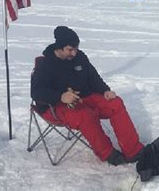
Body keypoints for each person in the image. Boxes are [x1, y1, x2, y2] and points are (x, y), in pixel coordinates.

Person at [31, 26, 144, 166]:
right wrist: (60, 96)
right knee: (86, 115)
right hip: (55, 106)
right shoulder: (45, 64)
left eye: (76, 48)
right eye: (70, 49)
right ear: (60, 47)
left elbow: (93, 78)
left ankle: (133, 150)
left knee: (116, 103)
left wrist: (105, 90)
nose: (74, 52)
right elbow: (36, 92)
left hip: (84, 97)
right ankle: (108, 153)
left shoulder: (80, 57)